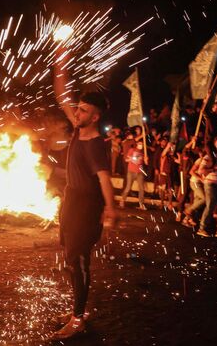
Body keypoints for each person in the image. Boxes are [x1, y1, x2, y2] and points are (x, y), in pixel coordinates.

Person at [52, 47, 117, 340]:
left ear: (96, 117)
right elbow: (60, 94)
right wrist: (61, 62)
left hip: (86, 207)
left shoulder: (96, 145)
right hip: (70, 201)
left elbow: (105, 179)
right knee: (69, 257)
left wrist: (111, 209)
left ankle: (78, 319)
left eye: (84, 111)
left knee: (78, 261)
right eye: (78, 108)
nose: (76, 113)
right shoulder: (79, 129)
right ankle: (76, 309)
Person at [196, 137, 217, 238]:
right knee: (210, 205)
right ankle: (202, 228)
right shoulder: (208, 157)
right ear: (214, 144)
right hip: (211, 184)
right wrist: (214, 168)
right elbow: (200, 171)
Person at [120, 141, 148, 210]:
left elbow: (146, 163)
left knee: (141, 188)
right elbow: (126, 159)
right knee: (128, 187)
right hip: (131, 171)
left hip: (139, 172)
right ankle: (122, 200)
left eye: (141, 144)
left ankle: (141, 204)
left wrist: (146, 160)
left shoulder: (143, 153)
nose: (140, 145)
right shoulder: (132, 150)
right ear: (137, 145)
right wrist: (132, 159)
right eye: (139, 144)